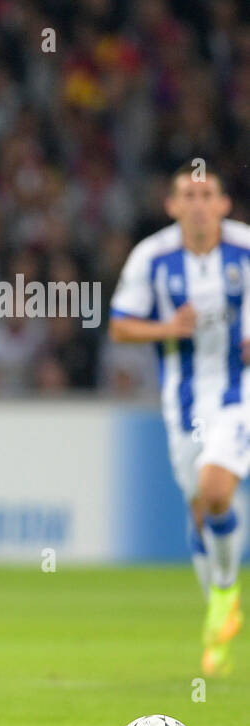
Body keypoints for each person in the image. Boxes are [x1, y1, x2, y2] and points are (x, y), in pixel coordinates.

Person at [109, 164, 250, 677]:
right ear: (171, 206)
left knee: (216, 492)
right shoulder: (152, 255)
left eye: (206, 193)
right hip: (182, 402)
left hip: (239, 395)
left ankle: (227, 589)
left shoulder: (246, 248)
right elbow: (120, 329)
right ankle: (218, 608)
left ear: (223, 204)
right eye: (187, 194)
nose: (197, 202)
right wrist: (167, 327)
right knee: (198, 510)